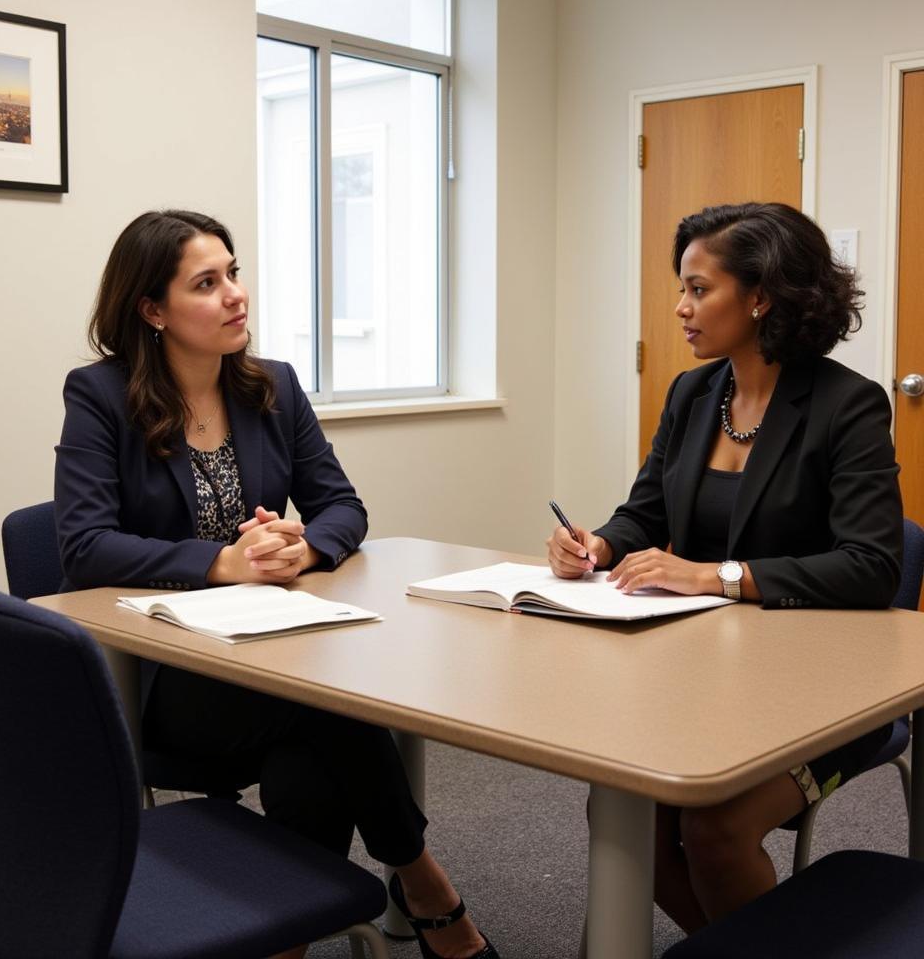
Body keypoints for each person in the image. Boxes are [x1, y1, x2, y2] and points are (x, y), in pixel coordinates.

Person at [56, 209, 498, 959]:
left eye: (233, 272)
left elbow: (342, 507)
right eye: (207, 282)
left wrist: (303, 551)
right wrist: (223, 561)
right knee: (330, 705)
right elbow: (84, 545)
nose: (236, 295)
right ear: (153, 310)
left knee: (311, 756)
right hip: (168, 674)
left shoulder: (272, 387)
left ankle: (283, 942)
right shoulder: (102, 396)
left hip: (275, 650)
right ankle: (423, 880)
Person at [547, 202, 902, 933]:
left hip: (826, 690)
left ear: (761, 296)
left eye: (699, 289)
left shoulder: (848, 406)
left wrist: (722, 575)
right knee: (626, 808)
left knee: (714, 828)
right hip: (705, 674)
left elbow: (871, 565)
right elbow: (643, 512)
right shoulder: (691, 393)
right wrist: (600, 545)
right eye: (681, 288)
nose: (680, 308)